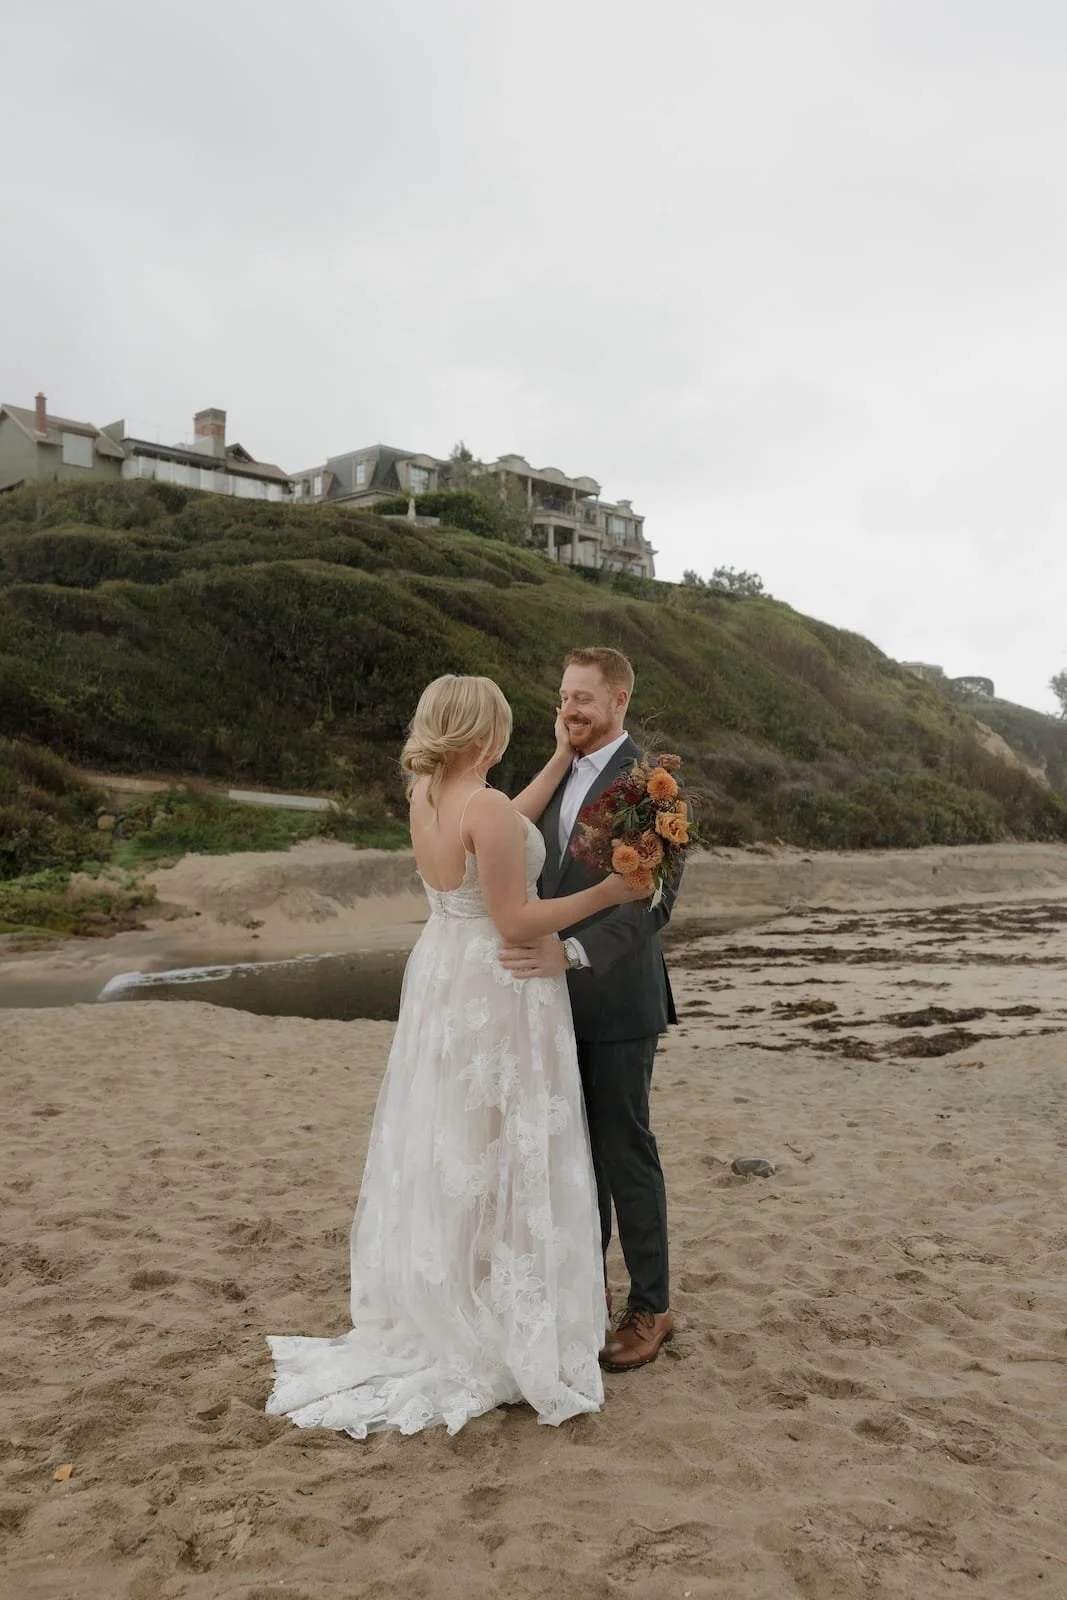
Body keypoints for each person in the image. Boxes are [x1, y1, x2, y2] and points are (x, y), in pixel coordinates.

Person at [266, 674, 646, 1438]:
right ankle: (493, 1309)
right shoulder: (485, 808)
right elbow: (516, 919)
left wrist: (554, 761)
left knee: (456, 1138)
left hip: (444, 972)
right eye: (501, 726)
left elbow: (505, 825)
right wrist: (609, 893)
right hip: (498, 982)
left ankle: (456, 1282)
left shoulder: (429, 794)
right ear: (482, 735)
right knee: (496, 1139)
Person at [498, 648, 680, 1373]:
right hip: (544, 1004)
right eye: (563, 696)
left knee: (623, 1153)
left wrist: (569, 953)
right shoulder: (554, 774)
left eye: (583, 698)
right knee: (567, 1155)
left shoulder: (654, 786)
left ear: (619, 701)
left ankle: (652, 1307)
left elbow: (652, 902)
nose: (569, 709)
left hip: (614, 1000)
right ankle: (584, 1294)